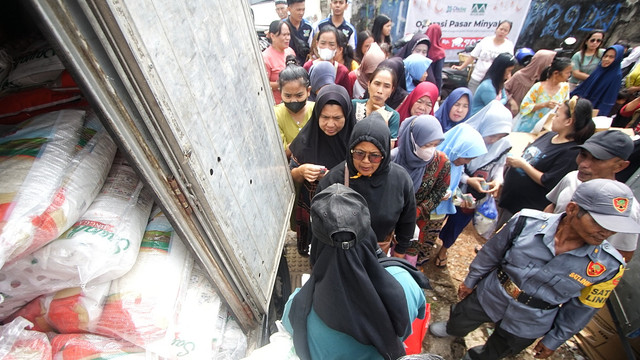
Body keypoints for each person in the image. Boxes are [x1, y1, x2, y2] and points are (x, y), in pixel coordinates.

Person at [430, 178, 639, 360]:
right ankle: (452, 330)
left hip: (531, 321)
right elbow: (492, 252)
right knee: (463, 316)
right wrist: (471, 280)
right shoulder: (526, 222)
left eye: (614, 227)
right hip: (493, 294)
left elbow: (582, 309)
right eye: (598, 222)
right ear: (573, 209)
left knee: (498, 349)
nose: (607, 232)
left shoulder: (608, 266)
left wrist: (554, 339)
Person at [283, 183, 429, 360]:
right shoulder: (404, 281)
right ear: (370, 236)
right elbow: (415, 318)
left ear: (316, 247)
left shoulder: (298, 307)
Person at [317, 113, 416, 258]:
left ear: (385, 154)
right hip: (341, 255)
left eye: (375, 156)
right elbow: (319, 224)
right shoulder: (333, 180)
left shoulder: (400, 180)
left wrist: (400, 252)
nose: (366, 162)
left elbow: (407, 220)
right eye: (359, 153)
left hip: (379, 254)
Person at [499, 97, 596, 226]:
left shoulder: (570, 152)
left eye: (557, 115)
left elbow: (549, 181)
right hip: (509, 198)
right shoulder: (548, 135)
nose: (553, 118)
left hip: (525, 207)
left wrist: (522, 164)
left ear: (568, 121)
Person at [437, 101, 512, 268]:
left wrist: (498, 181)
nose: (494, 140)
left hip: (477, 191)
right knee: (440, 214)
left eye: (500, 137)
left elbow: (500, 165)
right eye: (492, 135)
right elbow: (454, 162)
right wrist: (467, 180)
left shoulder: (503, 146)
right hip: (459, 183)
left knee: (459, 221)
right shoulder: (467, 135)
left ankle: (444, 248)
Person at [545, 130, 638, 261]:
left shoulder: (626, 209)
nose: (584, 164)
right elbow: (551, 208)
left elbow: (622, 256)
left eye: (597, 159)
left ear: (620, 166)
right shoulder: (571, 178)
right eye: (583, 155)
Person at [289, 84, 355, 255]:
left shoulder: (356, 142)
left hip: (345, 208)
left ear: (347, 115)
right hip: (311, 204)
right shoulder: (306, 140)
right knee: (313, 246)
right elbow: (291, 175)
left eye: (337, 118)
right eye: (324, 117)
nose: (330, 124)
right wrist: (302, 171)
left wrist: (335, 176)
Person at [413, 124, 486, 265]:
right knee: (415, 238)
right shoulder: (431, 158)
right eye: (466, 158)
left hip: (439, 212)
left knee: (428, 240)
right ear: (457, 149)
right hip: (423, 209)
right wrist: (438, 192)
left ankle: (419, 264)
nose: (466, 162)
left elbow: (453, 183)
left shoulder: (457, 164)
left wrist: (456, 196)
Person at [391, 115, 450, 265]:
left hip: (417, 222)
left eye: (435, 144)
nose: (430, 150)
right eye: (426, 145)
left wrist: (415, 212)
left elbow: (439, 191)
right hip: (389, 219)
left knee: (407, 260)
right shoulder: (393, 159)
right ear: (412, 140)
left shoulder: (441, 162)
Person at [452, 20, 515, 93]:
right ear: (496, 29)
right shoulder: (486, 41)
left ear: (508, 32)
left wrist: (508, 79)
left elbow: (509, 65)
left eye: (505, 30)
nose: (502, 32)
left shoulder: (508, 46)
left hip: (493, 81)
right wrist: (461, 67)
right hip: (477, 77)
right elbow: (473, 56)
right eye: (501, 29)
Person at [515, 57, 572, 133]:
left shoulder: (565, 87)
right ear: (556, 73)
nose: (569, 75)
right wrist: (544, 105)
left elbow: (565, 108)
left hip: (547, 129)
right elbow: (524, 106)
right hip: (529, 128)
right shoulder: (538, 87)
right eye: (567, 73)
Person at [572, 45, 625, 116]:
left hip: (595, 109)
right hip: (581, 104)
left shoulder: (616, 75)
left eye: (611, 57)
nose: (606, 59)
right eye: (605, 56)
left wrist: (600, 114)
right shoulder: (599, 69)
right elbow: (585, 85)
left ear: (617, 59)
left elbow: (609, 98)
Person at [352, 66, 401, 143]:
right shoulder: (354, 105)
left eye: (386, 86)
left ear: (392, 90)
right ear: (368, 84)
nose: (380, 91)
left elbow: (389, 148)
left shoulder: (392, 116)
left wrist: (384, 124)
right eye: (377, 84)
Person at [276, 64, 315, 157]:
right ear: (280, 92)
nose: (293, 100)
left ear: (308, 91)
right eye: (288, 96)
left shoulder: (317, 110)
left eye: (299, 95)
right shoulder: (275, 115)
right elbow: (281, 155)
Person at [303, 26, 352, 96]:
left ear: (337, 47)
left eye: (331, 44)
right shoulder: (308, 66)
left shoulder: (342, 71)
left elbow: (347, 97)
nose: (327, 47)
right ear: (317, 44)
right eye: (323, 43)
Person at [505, 49, 556, 114]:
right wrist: (511, 101)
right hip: (511, 112)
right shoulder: (520, 76)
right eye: (550, 63)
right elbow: (503, 89)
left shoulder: (544, 81)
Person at [263, 20, 296, 104]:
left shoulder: (290, 52)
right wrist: (282, 84)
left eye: (288, 34)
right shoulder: (266, 57)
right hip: (276, 104)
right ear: (273, 36)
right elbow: (263, 85)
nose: (287, 38)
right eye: (284, 35)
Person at [285, 0, 313, 65]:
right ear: (289, 9)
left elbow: (312, 49)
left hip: (304, 67)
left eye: (303, 10)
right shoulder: (283, 26)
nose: (301, 13)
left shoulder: (308, 27)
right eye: (298, 10)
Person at [426, 24, 446, 91]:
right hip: (432, 87)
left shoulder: (422, 49)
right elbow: (438, 76)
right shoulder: (440, 53)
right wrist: (438, 93)